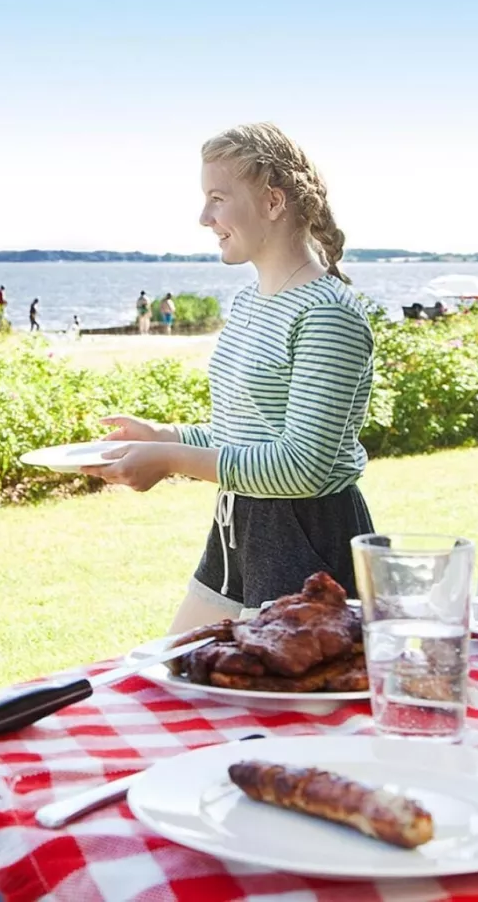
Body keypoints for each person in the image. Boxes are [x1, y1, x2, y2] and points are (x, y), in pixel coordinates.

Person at [87, 122, 375, 633]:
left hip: (306, 542)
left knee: (282, 708)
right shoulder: (248, 304)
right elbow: (246, 434)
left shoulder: (329, 315)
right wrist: (166, 435)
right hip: (238, 528)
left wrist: (172, 459)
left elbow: (301, 468)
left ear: (272, 202)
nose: (204, 217)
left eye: (218, 198)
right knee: (177, 679)